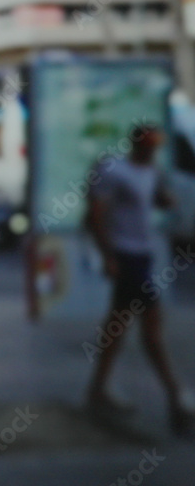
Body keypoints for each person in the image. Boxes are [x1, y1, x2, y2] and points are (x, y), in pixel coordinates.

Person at [85, 124, 193, 437]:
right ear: (136, 144)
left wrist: (165, 200)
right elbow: (97, 214)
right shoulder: (114, 171)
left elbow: (151, 200)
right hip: (128, 257)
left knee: (117, 328)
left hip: (142, 256)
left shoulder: (150, 172)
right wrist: (108, 255)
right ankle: (176, 396)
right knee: (151, 329)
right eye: (148, 145)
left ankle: (98, 390)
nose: (152, 151)